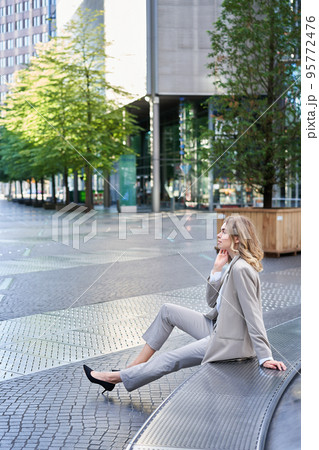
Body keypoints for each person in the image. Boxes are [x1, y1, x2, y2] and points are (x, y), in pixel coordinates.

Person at [83, 215, 286, 394]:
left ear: (237, 238)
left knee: (170, 359)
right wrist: (216, 270)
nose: (218, 234)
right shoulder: (232, 264)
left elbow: (253, 315)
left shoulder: (241, 269)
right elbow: (211, 302)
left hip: (229, 342)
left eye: (223, 231)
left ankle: (113, 378)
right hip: (217, 328)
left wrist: (264, 356)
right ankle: (132, 367)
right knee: (167, 311)